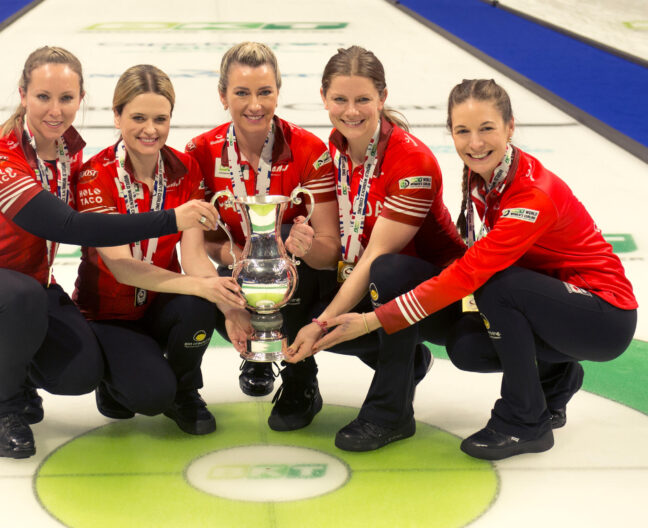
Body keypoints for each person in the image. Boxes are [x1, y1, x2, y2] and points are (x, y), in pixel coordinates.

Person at [306, 78, 638, 460]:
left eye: (487, 129)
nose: (475, 143)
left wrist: (370, 321)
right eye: (463, 131)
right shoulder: (483, 174)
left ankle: (524, 421)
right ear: (451, 132)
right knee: (466, 347)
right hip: (549, 304)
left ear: (510, 127)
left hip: (602, 315)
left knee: (498, 285)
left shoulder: (532, 194)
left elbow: (471, 273)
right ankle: (556, 376)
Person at [0, 46, 218, 459]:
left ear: (81, 100)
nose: (55, 109)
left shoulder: (68, 154)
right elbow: (67, 227)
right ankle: (1, 410)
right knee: (18, 296)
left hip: (31, 291)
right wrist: (171, 218)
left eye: (66, 98)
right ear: (22, 93)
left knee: (81, 372)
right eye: (43, 96)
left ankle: (23, 372)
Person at [286, 46, 467, 452]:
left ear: (382, 98)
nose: (351, 111)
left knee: (388, 271)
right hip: (366, 283)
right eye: (340, 99)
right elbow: (335, 249)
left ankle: (392, 414)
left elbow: (373, 260)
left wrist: (320, 324)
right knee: (292, 251)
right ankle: (300, 386)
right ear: (323, 97)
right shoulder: (326, 153)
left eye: (363, 99)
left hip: (437, 294)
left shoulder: (412, 161)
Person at [72, 64, 251, 436]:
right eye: (137, 117)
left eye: (160, 118)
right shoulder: (95, 175)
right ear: (117, 116)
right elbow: (122, 268)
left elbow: (195, 257)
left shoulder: (184, 170)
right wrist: (199, 286)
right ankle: (113, 374)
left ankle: (186, 391)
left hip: (157, 305)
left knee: (201, 302)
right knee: (150, 397)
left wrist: (228, 308)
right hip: (107, 315)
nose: (150, 130)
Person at [185, 42, 341, 426]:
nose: (255, 104)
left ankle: (301, 379)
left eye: (264, 92)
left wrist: (298, 249)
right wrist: (237, 257)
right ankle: (249, 356)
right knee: (212, 289)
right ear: (223, 95)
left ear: (278, 91)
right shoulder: (200, 151)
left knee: (286, 247)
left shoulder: (309, 149)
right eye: (242, 93)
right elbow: (199, 238)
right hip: (236, 266)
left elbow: (331, 245)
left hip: (299, 274)